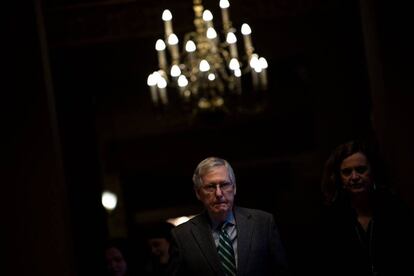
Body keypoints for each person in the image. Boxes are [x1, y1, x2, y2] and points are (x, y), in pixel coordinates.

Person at [167, 156, 289, 275]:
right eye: (210, 187)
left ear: (234, 188)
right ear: (198, 193)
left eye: (224, 185)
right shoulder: (182, 236)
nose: (219, 193)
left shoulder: (262, 223)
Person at [317, 140, 414, 276]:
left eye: (361, 169)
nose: (354, 177)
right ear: (339, 178)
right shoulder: (331, 218)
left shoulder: (395, 208)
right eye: (347, 172)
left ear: (372, 171)